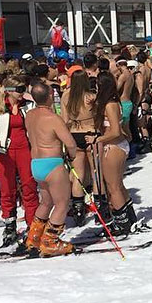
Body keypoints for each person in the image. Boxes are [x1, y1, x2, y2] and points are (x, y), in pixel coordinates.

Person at [24, 81, 80, 257]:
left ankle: (33, 238)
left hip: (36, 163)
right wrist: (72, 156)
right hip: (53, 163)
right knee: (62, 203)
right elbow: (70, 143)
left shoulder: (29, 115)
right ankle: (50, 241)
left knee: (46, 202)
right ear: (49, 96)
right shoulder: (53, 118)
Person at [0, 76, 39, 249]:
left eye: (24, 89)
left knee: (29, 187)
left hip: (25, 150)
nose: (23, 93)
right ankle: (9, 224)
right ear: (9, 91)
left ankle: (33, 223)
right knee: (7, 189)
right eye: (20, 89)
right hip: (5, 152)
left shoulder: (29, 106)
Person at [89, 72, 136, 236]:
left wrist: (97, 139)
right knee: (118, 185)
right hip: (116, 145)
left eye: (97, 85)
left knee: (113, 187)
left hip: (114, 146)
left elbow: (115, 131)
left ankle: (122, 223)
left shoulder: (110, 105)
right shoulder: (113, 102)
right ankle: (129, 217)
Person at [61, 70, 97, 227]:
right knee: (95, 172)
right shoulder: (91, 97)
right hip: (90, 133)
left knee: (78, 174)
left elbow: (64, 120)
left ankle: (78, 209)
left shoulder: (66, 96)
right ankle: (99, 205)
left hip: (74, 134)